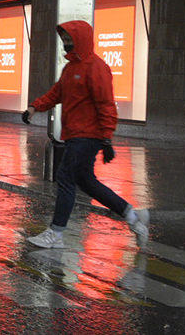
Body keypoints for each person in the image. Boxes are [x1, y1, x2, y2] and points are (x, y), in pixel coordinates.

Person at [22, 20, 150, 249]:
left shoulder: (96, 67)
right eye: (64, 40)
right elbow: (56, 93)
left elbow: (106, 105)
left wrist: (107, 139)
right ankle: (132, 216)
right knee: (86, 182)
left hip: (87, 135)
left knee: (65, 177)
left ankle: (56, 233)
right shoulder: (71, 68)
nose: (66, 43)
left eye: (69, 39)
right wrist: (34, 107)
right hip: (75, 134)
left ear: (80, 40)